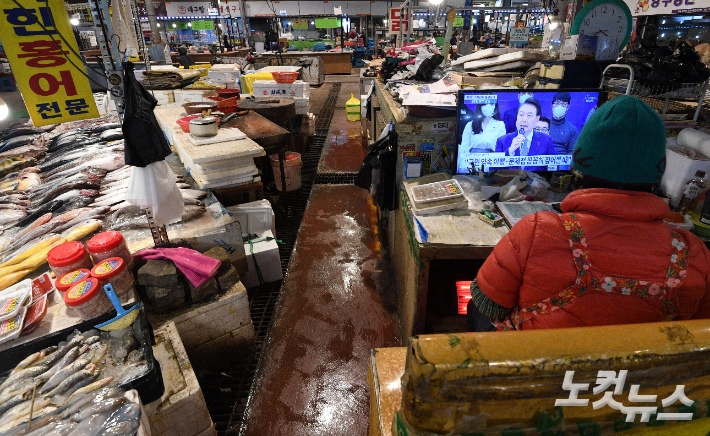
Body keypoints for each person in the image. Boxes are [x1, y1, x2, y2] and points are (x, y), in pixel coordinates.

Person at [468, 96, 710, 332]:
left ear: (578, 167)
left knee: (473, 306)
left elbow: (489, 303)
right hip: (639, 371)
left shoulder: (538, 230)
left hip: (540, 365)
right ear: (658, 173)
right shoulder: (691, 251)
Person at [494, 98, 555, 171]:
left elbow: (553, 168)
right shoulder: (502, 141)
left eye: (529, 115)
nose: (524, 119)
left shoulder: (546, 140)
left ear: (537, 119)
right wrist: (510, 151)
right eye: (521, 115)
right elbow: (493, 170)